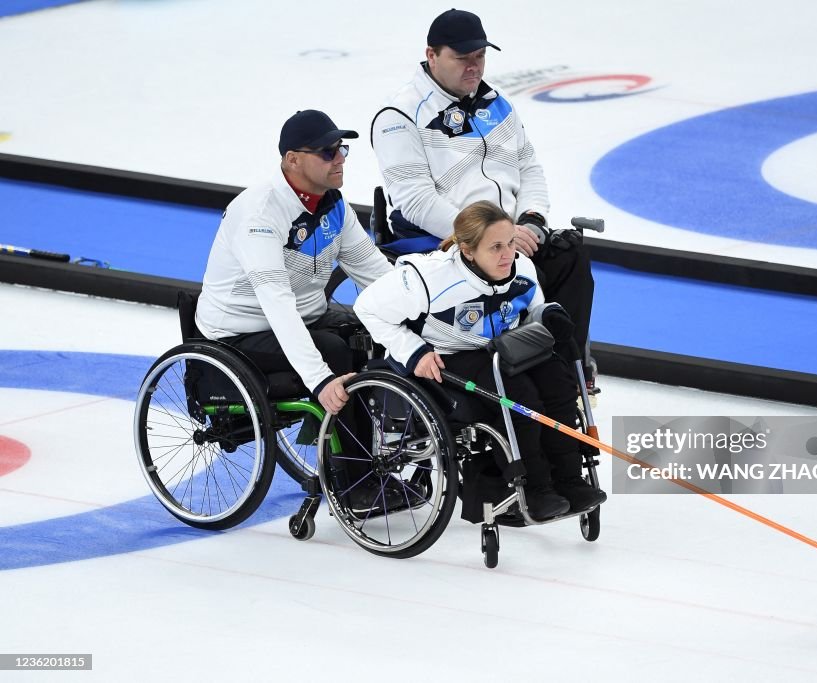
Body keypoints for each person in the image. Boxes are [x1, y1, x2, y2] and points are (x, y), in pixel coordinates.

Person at [370, 8, 599, 393]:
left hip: (508, 231)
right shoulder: (399, 116)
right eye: (462, 58)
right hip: (445, 240)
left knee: (569, 256)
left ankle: (562, 371)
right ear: (431, 55)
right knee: (522, 272)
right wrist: (493, 238)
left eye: (479, 56)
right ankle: (521, 374)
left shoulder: (496, 103)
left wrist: (531, 220)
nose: (474, 67)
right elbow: (416, 202)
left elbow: (529, 166)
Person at [194, 109, 401, 510]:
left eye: (342, 149)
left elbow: (376, 273)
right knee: (334, 354)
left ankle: (372, 452)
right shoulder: (259, 215)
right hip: (239, 329)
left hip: (307, 313)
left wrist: (431, 312)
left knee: (368, 334)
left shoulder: (332, 206)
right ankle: (356, 483)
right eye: (327, 152)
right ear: (292, 160)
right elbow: (277, 306)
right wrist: (321, 381)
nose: (339, 157)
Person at [354, 200, 606, 521]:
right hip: (449, 355)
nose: (507, 254)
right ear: (468, 251)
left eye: (511, 242)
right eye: (496, 247)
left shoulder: (523, 269)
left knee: (559, 382)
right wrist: (413, 352)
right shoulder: (430, 279)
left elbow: (530, 315)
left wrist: (547, 315)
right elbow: (367, 308)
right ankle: (536, 488)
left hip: (505, 348)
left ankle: (569, 480)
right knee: (520, 397)